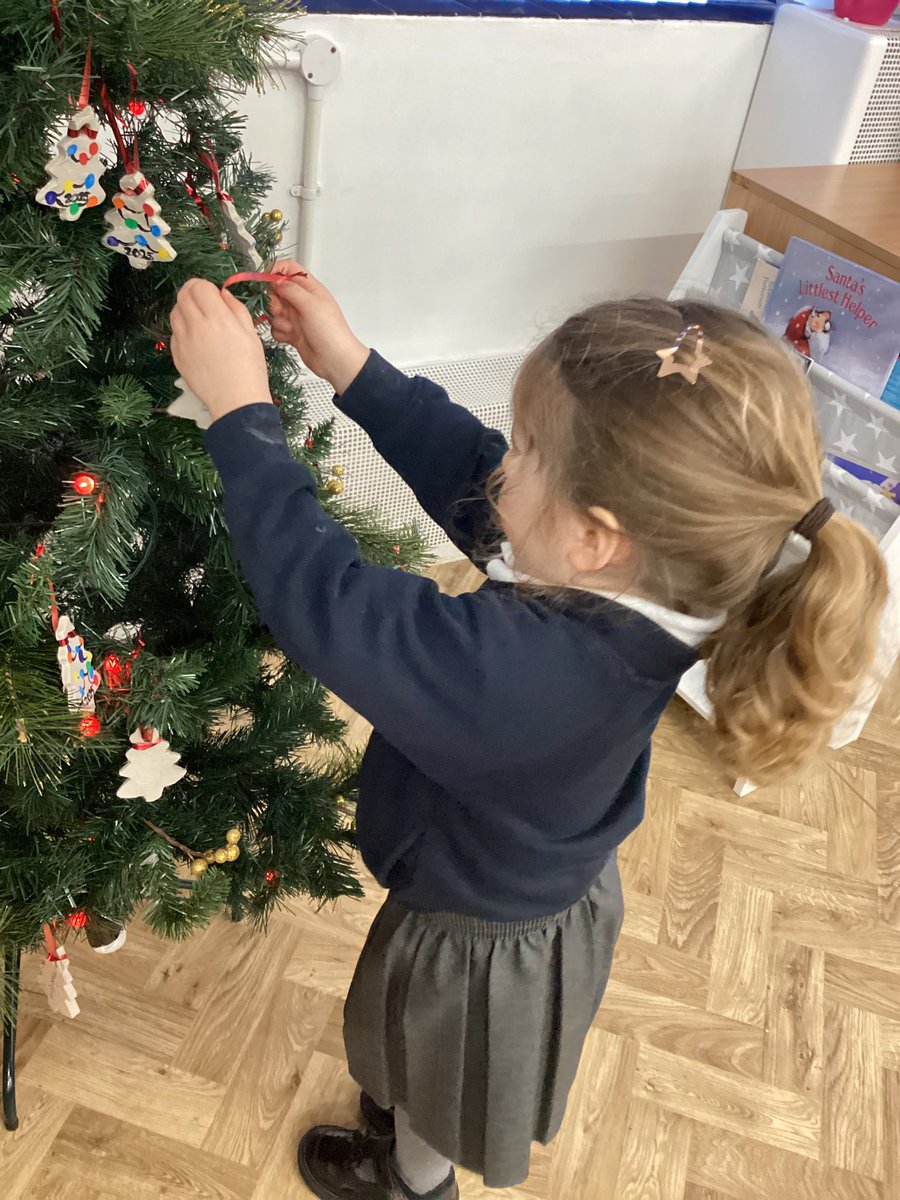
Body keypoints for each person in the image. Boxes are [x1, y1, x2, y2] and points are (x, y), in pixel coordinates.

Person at [169, 271, 888, 1200]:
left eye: (529, 450)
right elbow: (479, 482)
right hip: (504, 877)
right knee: (415, 1053)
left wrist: (239, 415)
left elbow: (332, 608)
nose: (503, 464)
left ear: (596, 537)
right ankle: (405, 1123)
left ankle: (410, 1179)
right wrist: (349, 365)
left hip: (481, 939)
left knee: (439, 1085)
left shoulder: (533, 677)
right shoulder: (658, 578)